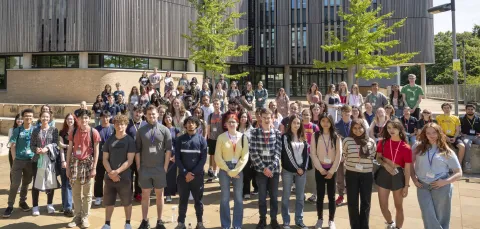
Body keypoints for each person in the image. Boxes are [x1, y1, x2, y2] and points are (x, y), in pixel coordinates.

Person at [411, 122, 463, 229]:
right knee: (427, 214)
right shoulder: (417, 146)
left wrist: (445, 182)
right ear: (424, 134)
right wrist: (414, 180)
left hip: (441, 186)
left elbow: (459, 172)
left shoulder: (446, 151)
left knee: (441, 216)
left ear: (439, 133)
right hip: (422, 185)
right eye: (428, 133)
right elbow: (410, 164)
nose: (431, 135)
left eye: (434, 132)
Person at [135, 105, 172, 229]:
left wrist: (165, 167)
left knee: (159, 195)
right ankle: (145, 220)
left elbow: (168, 150)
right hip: (145, 168)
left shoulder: (164, 130)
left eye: (154, 114)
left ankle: (159, 220)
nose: (152, 116)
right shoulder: (140, 131)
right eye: (149, 114)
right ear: (145, 115)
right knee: (145, 195)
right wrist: (139, 167)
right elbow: (137, 150)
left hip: (159, 168)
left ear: (158, 115)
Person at [66, 109, 101, 228]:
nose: (84, 120)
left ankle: (85, 217)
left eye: (86, 118)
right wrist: (67, 166)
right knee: (76, 193)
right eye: (81, 118)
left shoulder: (94, 132)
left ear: (89, 119)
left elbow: (96, 151)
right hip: (75, 163)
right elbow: (70, 149)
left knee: (87, 193)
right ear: (78, 120)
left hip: (88, 164)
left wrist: (94, 168)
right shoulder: (73, 131)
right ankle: (77, 216)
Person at [100, 114, 136, 229]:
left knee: (127, 201)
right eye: (117, 124)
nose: (119, 126)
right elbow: (105, 159)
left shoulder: (130, 140)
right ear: (114, 125)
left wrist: (117, 172)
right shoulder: (109, 140)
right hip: (110, 176)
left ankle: (128, 222)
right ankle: (107, 223)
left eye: (122, 124)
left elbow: (130, 160)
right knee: (109, 201)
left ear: (125, 125)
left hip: (124, 177)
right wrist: (111, 172)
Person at [375, 119, 412, 229]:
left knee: (398, 206)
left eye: (394, 127)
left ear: (400, 129)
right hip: (383, 174)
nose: (391, 130)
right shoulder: (383, 142)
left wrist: (406, 186)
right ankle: (390, 223)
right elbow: (378, 157)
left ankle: (398, 227)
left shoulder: (406, 147)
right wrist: (386, 165)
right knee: (383, 205)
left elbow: (407, 169)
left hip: (398, 175)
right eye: (389, 128)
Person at [215, 114, 249, 229]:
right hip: (225, 168)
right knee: (225, 197)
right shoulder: (221, 137)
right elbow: (217, 157)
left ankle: (237, 225)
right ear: (225, 124)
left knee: (238, 198)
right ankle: (225, 224)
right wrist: (228, 170)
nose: (231, 124)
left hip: (238, 168)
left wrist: (235, 171)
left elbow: (245, 156)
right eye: (229, 122)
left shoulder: (243, 137)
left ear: (237, 123)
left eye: (233, 122)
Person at [250, 108, 282, 229]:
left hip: (274, 171)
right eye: (264, 117)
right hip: (260, 171)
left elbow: (278, 152)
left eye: (269, 117)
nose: (267, 120)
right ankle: (262, 219)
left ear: (272, 118)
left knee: (274, 196)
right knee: (262, 197)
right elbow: (253, 152)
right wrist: (264, 168)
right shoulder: (255, 133)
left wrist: (271, 168)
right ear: (260, 118)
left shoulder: (277, 133)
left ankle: (274, 219)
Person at [174, 116, 208, 229]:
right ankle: (181, 223)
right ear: (185, 125)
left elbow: (203, 159)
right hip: (183, 177)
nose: (190, 125)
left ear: (197, 125)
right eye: (188, 123)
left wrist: (192, 173)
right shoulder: (179, 139)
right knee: (182, 200)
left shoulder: (202, 140)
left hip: (197, 177)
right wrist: (185, 173)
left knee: (198, 201)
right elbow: (177, 158)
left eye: (193, 123)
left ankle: (200, 222)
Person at [310, 113, 342, 229]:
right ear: (320, 122)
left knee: (332, 197)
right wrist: (321, 169)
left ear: (331, 122)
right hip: (320, 170)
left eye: (328, 121)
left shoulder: (336, 137)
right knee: (320, 195)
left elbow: (339, 155)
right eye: (323, 121)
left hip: (331, 171)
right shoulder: (315, 135)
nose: (325, 123)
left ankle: (331, 220)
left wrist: (332, 171)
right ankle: (320, 219)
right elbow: (313, 153)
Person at [343, 119, 376, 229]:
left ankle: (364, 226)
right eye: (355, 128)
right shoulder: (347, 140)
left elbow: (372, 157)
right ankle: (355, 226)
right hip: (351, 174)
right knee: (352, 202)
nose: (358, 130)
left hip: (366, 174)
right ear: (351, 129)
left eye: (360, 128)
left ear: (364, 128)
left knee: (365, 202)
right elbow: (345, 155)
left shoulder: (371, 141)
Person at [280, 114, 310, 229]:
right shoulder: (285, 137)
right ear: (290, 124)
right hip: (288, 170)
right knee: (286, 196)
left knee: (300, 197)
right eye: (294, 123)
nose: (296, 125)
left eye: (298, 123)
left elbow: (306, 154)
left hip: (301, 171)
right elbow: (288, 154)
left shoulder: (303, 136)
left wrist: (303, 168)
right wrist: (297, 168)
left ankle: (299, 220)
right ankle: (286, 221)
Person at [3, 109, 34, 218]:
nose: (28, 118)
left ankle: (22, 202)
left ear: (32, 118)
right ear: (23, 117)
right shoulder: (17, 130)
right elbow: (12, 145)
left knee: (26, 182)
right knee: (15, 183)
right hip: (18, 161)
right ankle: (10, 205)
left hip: (30, 161)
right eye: (26, 116)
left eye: (30, 116)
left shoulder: (35, 130)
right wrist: (15, 158)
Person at [30, 111, 60, 216]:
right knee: (36, 183)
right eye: (43, 117)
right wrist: (36, 149)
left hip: (50, 159)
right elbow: (32, 145)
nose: (45, 118)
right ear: (40, 117)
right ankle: (35, 206)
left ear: (50, 118)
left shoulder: (54, 130)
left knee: (50, 182)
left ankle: (50, 204)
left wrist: (47, 148)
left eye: (47, 117)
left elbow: (56, 143)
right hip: (37, 159)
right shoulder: (35, 130)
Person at [93, 111, 115, 206]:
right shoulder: (96, 129)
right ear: (100, 118)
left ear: (110, 117)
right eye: (103, 117)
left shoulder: (114, 128)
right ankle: (98, 196)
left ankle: (110, 195)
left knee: (111, 177)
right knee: (99, 178)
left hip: (111, 158)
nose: (105, 119)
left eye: (107, 117)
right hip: (100, 157)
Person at [126, 105, 147, 202]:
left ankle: (138, 193)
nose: (138, 114)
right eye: (136, 112)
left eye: (140, 112)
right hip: (130, 154)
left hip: (142, 154)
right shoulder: (127, 124)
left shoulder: (146, 124)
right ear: (133, 112)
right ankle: (128, 193)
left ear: (142, 114)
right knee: (129, 175)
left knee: (139, 174)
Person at [333, 105, 353, 206]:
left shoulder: (354, 124)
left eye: (348, 111)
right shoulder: (336, 125)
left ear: (351, 113)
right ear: (341, 113)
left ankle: (351, 196)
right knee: (340, 176)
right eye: (344, 111)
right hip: (340, 155)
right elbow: (335, 140)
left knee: (351, 176)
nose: (346, 113)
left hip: (352, 155)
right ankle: (341, 195)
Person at [436, 103, 466, 169]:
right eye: (445, 108)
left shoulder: (456, 118)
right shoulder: (438, 117)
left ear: (450, 108)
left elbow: (458, 130)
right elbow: (439, 130)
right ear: (442, 109)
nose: (446, 109)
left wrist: (455, 138)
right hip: (443, 136)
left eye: (448, 108)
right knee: (443, 148)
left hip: (454, 136)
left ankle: (459, 164)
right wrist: (446, 137)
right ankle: (444, 165)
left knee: (462, 146)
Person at [58, 114, 77, 217]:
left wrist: (66, 146)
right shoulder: (62, 132)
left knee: (69, 184)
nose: (70, 120)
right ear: (65, 120)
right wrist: (63, 161)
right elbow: (60, 148)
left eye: (72, 119)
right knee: (64, 184)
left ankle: (67, 206)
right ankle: (66, 207)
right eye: (68, 119)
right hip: (65, 159)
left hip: (75, 160)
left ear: (74, 120)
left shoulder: (78, 131)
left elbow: (77, 146)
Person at [237, 110, 258, 199]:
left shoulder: (251, 129)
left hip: (248, 154)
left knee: (247, 173)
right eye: (242, 117)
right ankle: (239, 191)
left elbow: (254, 142)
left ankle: (247, 192)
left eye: (245, 117)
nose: (243, 119)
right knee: (238, 173)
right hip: (237, 154)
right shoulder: (236, 128)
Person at [163, 112, 181, 203]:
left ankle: (173, 191)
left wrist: (175, 155)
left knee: (173, 175)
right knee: (166, 175)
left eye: (169, 117)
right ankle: (167, 194)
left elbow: (178, 143)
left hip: (174, 154)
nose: (168, 119)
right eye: (166, 118)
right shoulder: (162, 129)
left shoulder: (176, 130)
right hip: (164, 154)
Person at [206, 99, 223, 182]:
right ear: (213, 105)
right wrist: (208, 137)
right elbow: (208, 128)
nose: (216, 105)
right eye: (215, 104)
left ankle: (218, 172)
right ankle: (213, 172)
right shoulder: (210, 115)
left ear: (220, 105)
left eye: (217, 104)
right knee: (212, 156)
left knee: (220, 156)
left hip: (221, 139)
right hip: (212, 138)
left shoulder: (223, 115)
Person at [461, 104, 480, 172]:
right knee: (467, 144)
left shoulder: (478, 119)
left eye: (472, 109)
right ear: (465, 110)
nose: (470, 111)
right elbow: (457, 128)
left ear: (474, 110)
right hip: (466, 136)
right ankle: (467, 163)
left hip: (476, 136)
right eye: (468, 109)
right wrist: (461, 134)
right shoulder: (461, 118)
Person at [7, 114, 23, 181]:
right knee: (13, 168)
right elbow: (11, 142)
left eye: (21, 119)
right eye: (18, 119)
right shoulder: (11, 130)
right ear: (15, 120)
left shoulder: (26, 129)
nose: (20, 120)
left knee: (22, 169)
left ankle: (20, 185)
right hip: (13, 151)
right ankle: (13, 184)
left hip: (22, 151)